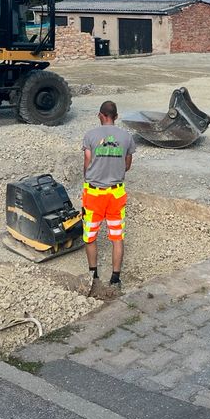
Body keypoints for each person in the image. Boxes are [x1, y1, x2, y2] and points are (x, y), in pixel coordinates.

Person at [82, 100, 135, 290]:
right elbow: (127, 165)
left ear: (100, 115)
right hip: (116, 193)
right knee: (117, 237)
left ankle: (93, 275)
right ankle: (115, 279)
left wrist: (91, 175)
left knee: (90, 236)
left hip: (94, 194)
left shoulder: (90, 135)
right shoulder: (127, 137)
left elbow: (87, 162)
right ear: (116, 116)